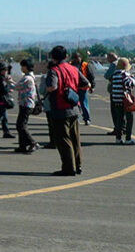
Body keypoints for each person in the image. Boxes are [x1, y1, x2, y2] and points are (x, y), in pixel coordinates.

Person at [46, 45, 90, 176]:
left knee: (63, 139)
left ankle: (68, 167)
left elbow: (52, 87)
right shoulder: (74, 69)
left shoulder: (54, 71)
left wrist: (47, 90)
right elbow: (86, 83)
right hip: (74, 107)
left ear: (53, 57)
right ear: (66, 56)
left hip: (60, 108)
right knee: (75, 138)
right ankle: (78, 165)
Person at [110, 57, 135, 145]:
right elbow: (129, 83)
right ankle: (128, 138)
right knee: (129, 119)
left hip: (116, 100)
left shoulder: (115, 74)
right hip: (125, 100)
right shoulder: (124, 74)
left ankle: (118, 138)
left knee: (119, 119)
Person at [14, 58, 39, 153]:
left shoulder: (27, 78)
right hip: (27, 103)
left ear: (26, 67)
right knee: (21, 124)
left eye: (22, 66)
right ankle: (22, 145)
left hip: (26, 104)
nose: (21, 68)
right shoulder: (30, 77)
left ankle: (33, 143)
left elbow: (16, 86)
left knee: (21, 125)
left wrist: (9, 82)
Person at [70, 52, 95, 125]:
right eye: (75, 58)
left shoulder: (85, 65)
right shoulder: (70, 65)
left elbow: (91, 76)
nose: (77, 59)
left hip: (83, 87)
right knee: (74, 104)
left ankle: (87, 119)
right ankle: (76, 118)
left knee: (84, 104)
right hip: (73, 88)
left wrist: (92, 86)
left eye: (78, 57)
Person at [104, 52, 121, 136]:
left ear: (111, 58)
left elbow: (107, 75)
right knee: (122, 110)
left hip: (115, 89)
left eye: (108, 58)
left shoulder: (114, 64)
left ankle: (117, 128)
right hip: (123, 89)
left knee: (115, 110)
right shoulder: (122, 62)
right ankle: (123, 127)